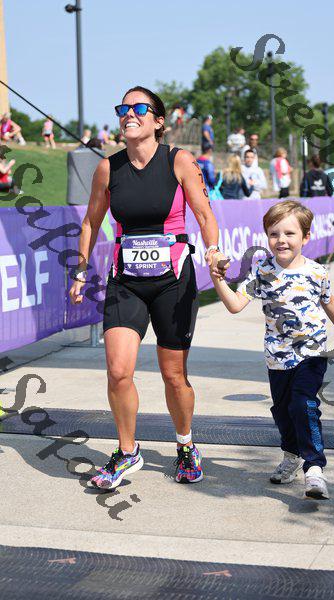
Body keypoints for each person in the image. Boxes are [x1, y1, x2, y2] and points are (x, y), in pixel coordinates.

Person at [69, 85, 227, 490]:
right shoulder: (108, 168)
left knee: (173, 375)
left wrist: (212, 251)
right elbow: (90, 222)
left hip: (173, 281)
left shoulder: (179, 161)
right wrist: (81, 270)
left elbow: (204, 214)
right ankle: (127, 451)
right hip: (126, 281)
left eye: (139, 108)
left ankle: (186, 444)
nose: (128, 113)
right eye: (122, 108)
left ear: (158, 121)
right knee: (118, 371)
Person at [210, 200, 334, 500]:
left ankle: (314, 468)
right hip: (277, 357)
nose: (281, 240)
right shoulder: (262, 271)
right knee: (282, 411)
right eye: (274, 233)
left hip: (312, 353)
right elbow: (235, 305)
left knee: (303, 404)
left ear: (306, 237)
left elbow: (329, 301)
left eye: (289, 233)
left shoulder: (317, 271)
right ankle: (291, 455)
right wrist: (218, 280)